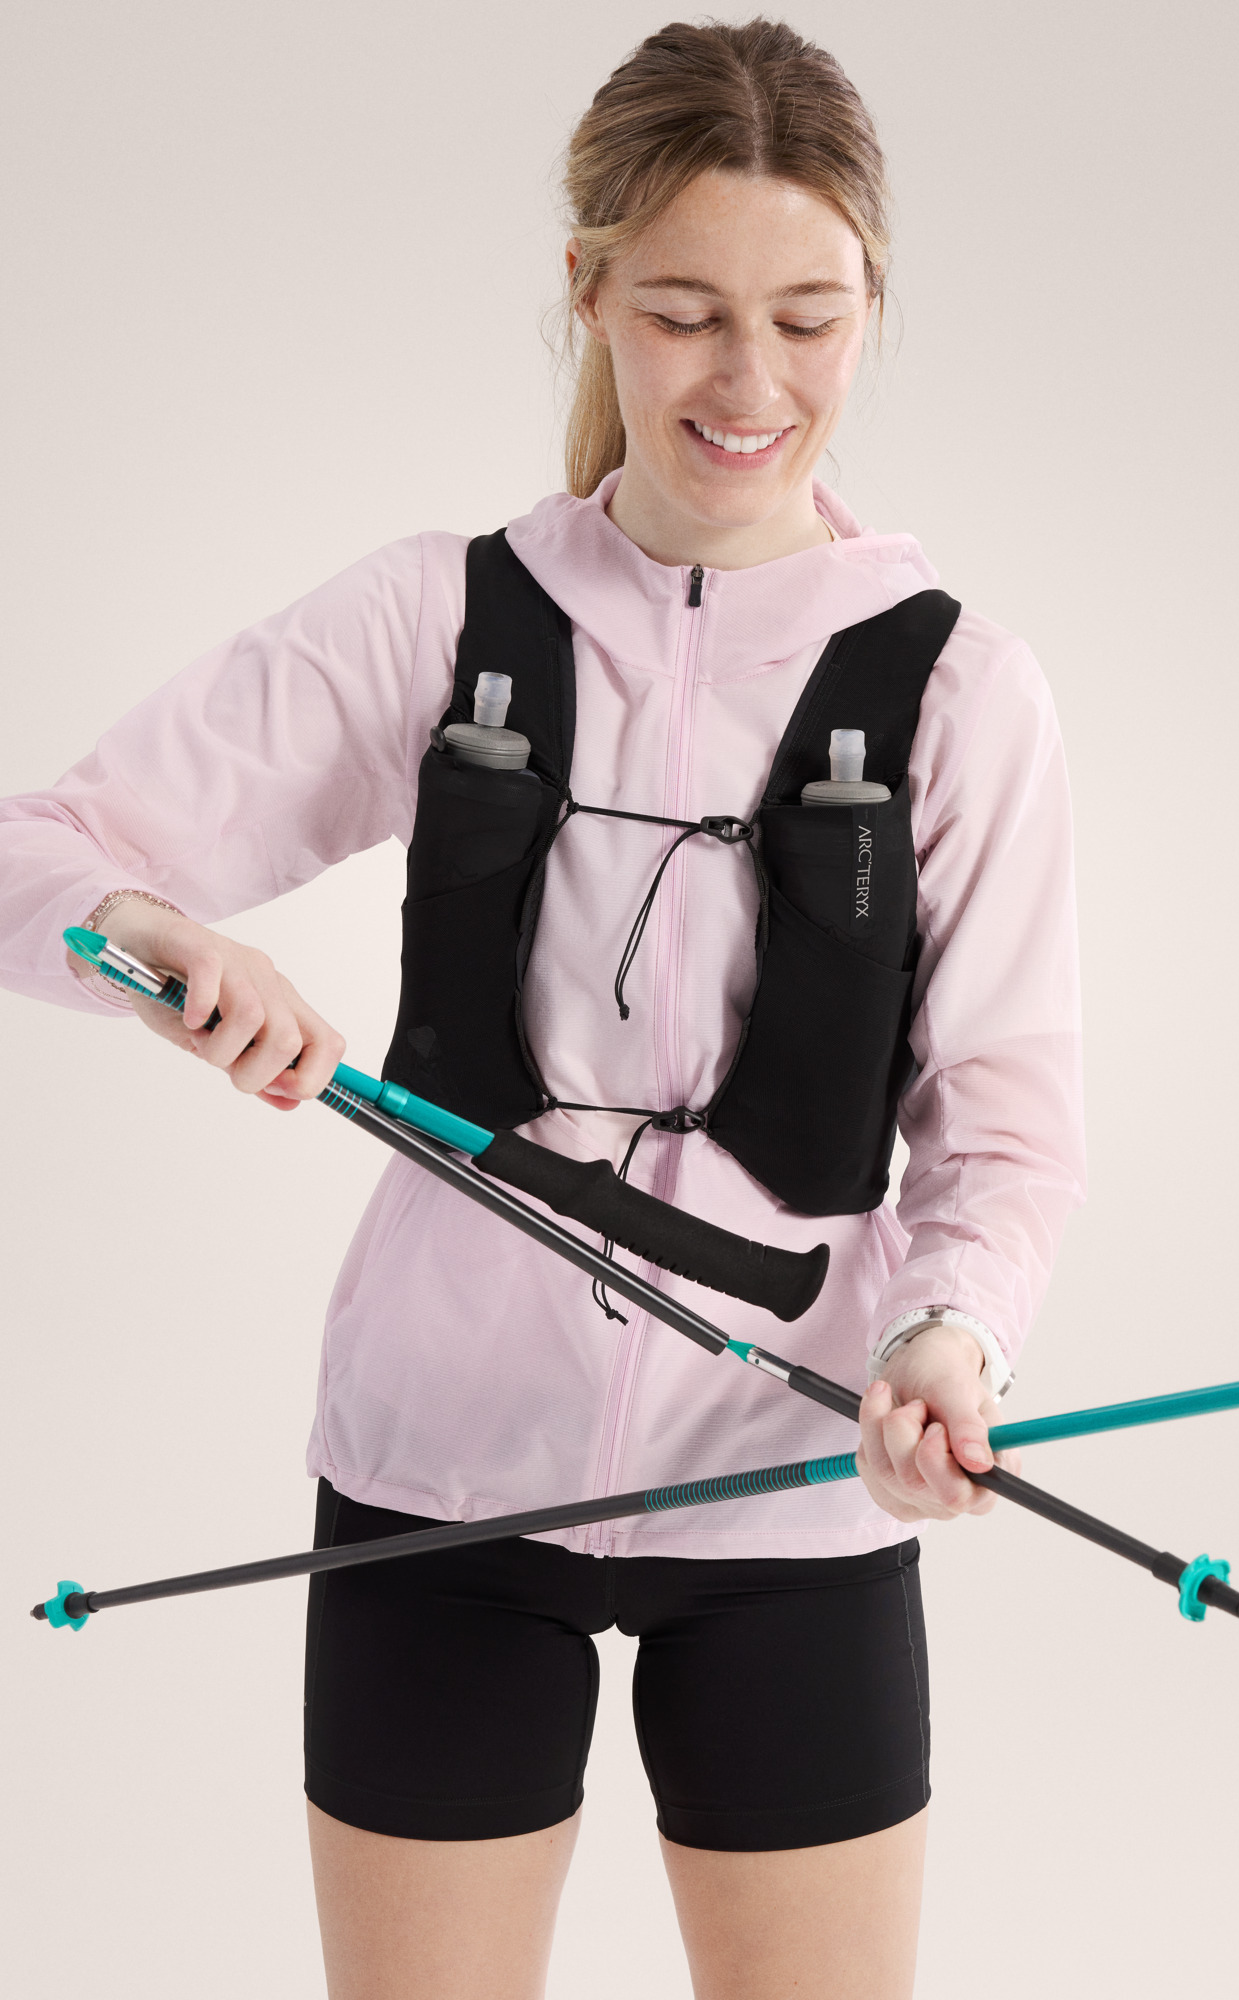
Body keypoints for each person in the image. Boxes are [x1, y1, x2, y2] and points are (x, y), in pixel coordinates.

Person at [0, 19, 1084, 1999]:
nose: (749, 383)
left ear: (872, 309)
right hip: (438, 1487)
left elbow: (1003, 1135)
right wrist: (160, 944)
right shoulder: (435, 617)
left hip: (795, 1497)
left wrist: (952, 1335)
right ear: (587, 289)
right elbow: (36, 859)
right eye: (683, 313)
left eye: (808, 319)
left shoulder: (965, 692)